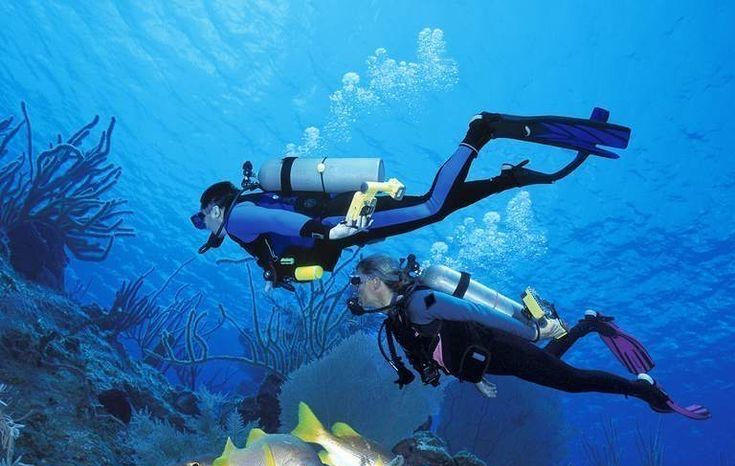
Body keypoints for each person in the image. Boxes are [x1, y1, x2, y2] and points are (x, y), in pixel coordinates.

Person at [191, 108, 629, 288]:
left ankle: (482, 130)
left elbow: (284, 223)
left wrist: (328, 229)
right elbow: (307, 255)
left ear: (214, 207)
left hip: (344, 218)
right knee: (433, 206)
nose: (205, 225)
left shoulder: (238, 217)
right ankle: (507, 180)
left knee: (429, 207)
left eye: (202, 217)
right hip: (344, 220)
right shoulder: (247, 217)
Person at [347, 253, 709, 420]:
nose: (356, 290)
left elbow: (474, 313)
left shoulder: (420, 302)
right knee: (549, 364)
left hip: (500, 347)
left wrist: (532, 330)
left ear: (376, 281)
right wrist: (472, 376)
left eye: (358, 282)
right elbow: (438, 349)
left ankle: (644, 388)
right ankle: (587, 323)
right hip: (492, 358)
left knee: (571, 381)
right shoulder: (395, 318)